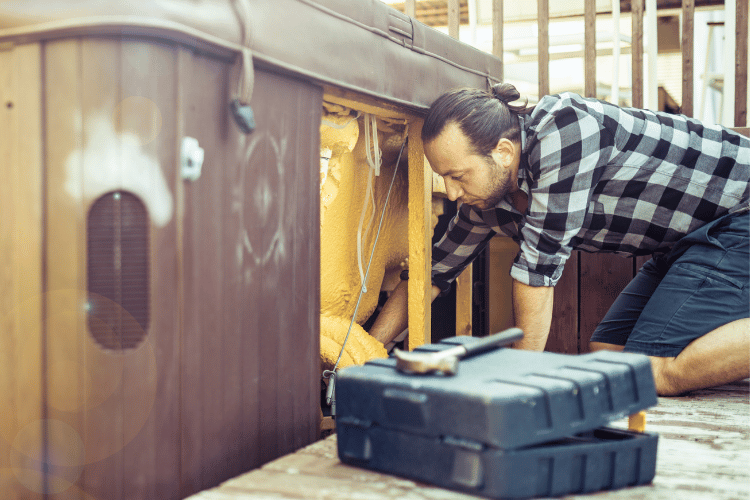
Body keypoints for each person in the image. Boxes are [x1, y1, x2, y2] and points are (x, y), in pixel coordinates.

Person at [368, 83, 749, 396]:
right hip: (690, 243)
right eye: (444, 178)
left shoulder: (564, 131)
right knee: (609, 354)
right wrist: (370, 348)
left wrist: (515, 391)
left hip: (740, 214)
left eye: (458, 175)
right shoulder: (486, 201)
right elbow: (432, 275)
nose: (451, 193)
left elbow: (537, 271)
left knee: (652, 368)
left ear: (502, 152)